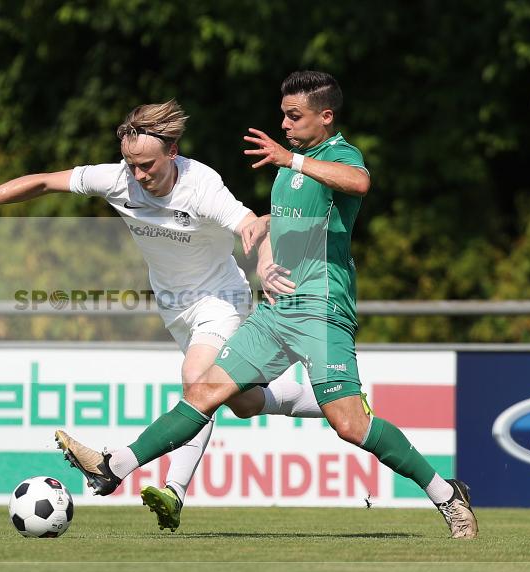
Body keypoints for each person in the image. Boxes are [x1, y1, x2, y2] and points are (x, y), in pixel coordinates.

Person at [56, 71, 478, 540]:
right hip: (277, 310)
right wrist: (267, 256)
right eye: (282, 115)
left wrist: (293, 160)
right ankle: (114, 467)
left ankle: (446, 494)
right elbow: (283, 221)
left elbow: (358, 184)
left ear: (326, 116)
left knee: (351, 424)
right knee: (206, 392)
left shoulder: (337, 156)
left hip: (321, 309)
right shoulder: (288, 169)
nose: (284, 124)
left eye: (293, 116)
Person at [0, 99, 333, 531]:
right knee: (241, 401)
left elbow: (253, 225)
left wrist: (267, 264)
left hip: (221, 300)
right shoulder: (118, 178)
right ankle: (335, 402)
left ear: (173, 152)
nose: (139, 175)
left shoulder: (202, 186)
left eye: (148, 165)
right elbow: (44, 182)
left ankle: (170, 490)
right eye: (131, 164)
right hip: (174, 308)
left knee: (196, 381)